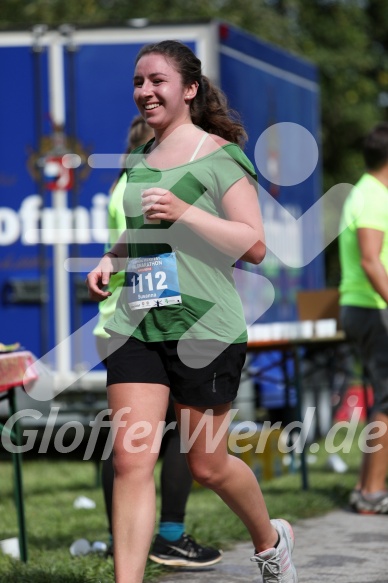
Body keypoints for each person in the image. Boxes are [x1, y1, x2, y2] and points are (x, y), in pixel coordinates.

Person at [86, 40, 298, 583]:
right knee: (133, 462)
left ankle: (271, 542)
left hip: (205, 328)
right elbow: (137, 237)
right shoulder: (138, 160)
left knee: (207, 465)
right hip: (138, 323)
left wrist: (185, 213)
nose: (144, 91)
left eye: (156, 80)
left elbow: (253, 244)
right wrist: (109, 262)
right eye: (138, 81)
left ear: (189, 88)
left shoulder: (219, 155)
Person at [93, 114, 222, 567]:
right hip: (137, 321)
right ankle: (164, 533)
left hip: (129, 317)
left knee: (134, 447)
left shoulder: (125, 185)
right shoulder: (142, 185)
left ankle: (128, 536)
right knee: (161, 442)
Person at [339, 121, 388, 514]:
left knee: (382, 397)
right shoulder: (373, 197)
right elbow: (372, 261)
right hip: (373, 307)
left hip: (365, 307)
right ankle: (372, 492)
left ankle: (364, 488)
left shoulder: (365, 192)